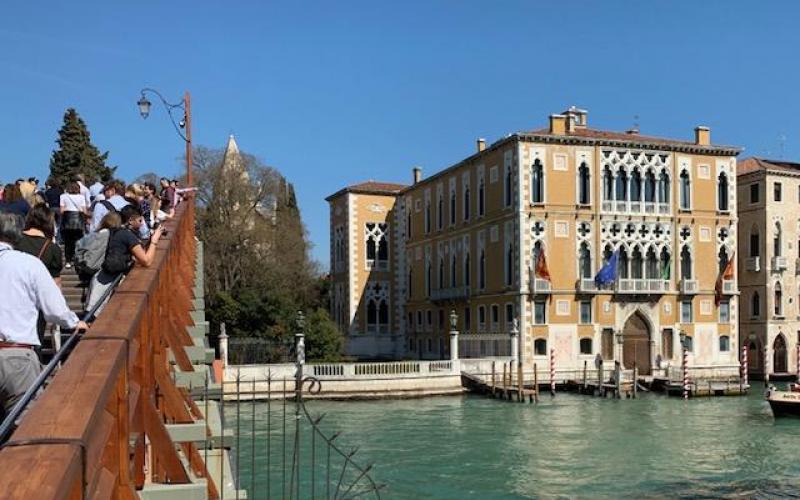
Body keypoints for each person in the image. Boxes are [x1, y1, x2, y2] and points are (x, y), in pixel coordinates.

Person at [0, 213, 87, 417]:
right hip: (17, 354)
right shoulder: (28, 264)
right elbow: (55, 308)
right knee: (24, 427)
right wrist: (73, 322)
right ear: (16, 236)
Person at [85, 205, 163, 313]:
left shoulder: (117, 231)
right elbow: (146, 261)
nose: (142, 223)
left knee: (94, 313)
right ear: (131, 220)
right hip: (108, 280)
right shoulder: (127, 235)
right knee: (96, 317)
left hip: (100, 277)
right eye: (140, 220)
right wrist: (154, 240)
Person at [17, 204, 64, 352]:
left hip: (10, 299)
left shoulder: (14, 241)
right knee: (34, 341)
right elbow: (55, 284)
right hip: (36, 305)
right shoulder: (52, 249)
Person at [60, 181, 88, 268]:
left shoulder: (63, 196)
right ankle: (78, 259)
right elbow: (84, 211)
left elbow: (61, 211)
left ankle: (68, 261)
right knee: (78, 241)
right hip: (78, 221)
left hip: (67, 221)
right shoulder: (81, 197)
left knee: (68, 242)